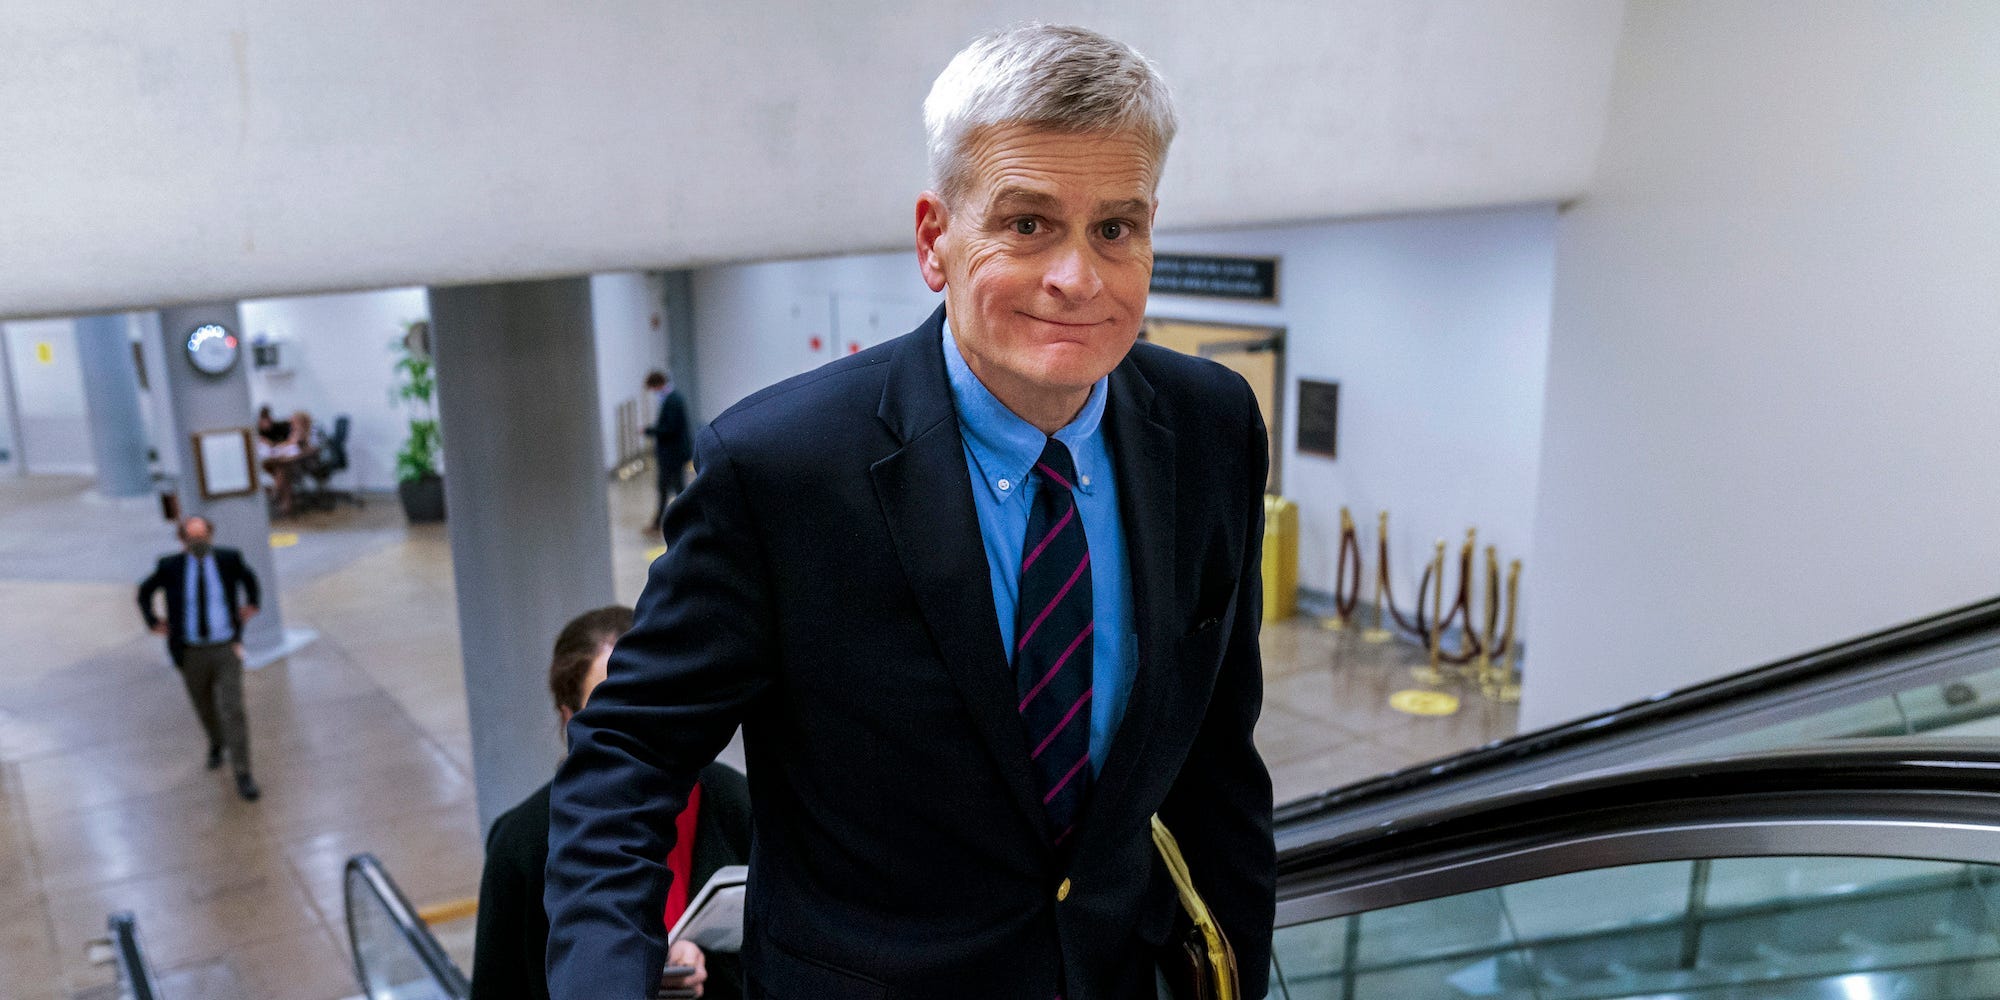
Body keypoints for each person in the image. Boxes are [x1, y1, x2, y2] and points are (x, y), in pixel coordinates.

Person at [547, 24, 1274, 1000]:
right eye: (1026, 225)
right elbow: (629, 749)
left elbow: (1219, 763)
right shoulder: (781, 468)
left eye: (1115, 227)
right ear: (935, 239)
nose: (1077, 277)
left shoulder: (1209, 424)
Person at [472, 606, 749, 1000]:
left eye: (652, 703)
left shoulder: (735, 803)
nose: (640, 728)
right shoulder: (521, 845)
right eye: (613, 713)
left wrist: (704, 965)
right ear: (571, 722)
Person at [137, 516, 263, 801]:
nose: (198, 542)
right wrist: (153, 620)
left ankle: (242, 772)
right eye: (192, 537)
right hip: (191, 651)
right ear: (182, 541)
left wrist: (253, 602)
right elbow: (145, 591)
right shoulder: (170, 567)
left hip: (225, 647)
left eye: (203, 536)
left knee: (233, 709)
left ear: (211, 536)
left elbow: (249, 577)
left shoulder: (229, 559)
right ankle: (217, 742)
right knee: (204, 704)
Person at [644, 370, 693, 533]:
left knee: (672, 487)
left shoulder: (672, 400)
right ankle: (665, 522)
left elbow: (670, 428)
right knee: (671, 487)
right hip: (673, 453)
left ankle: (681, 521)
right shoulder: (673, 398)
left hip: (672, 453)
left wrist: (651, 431)